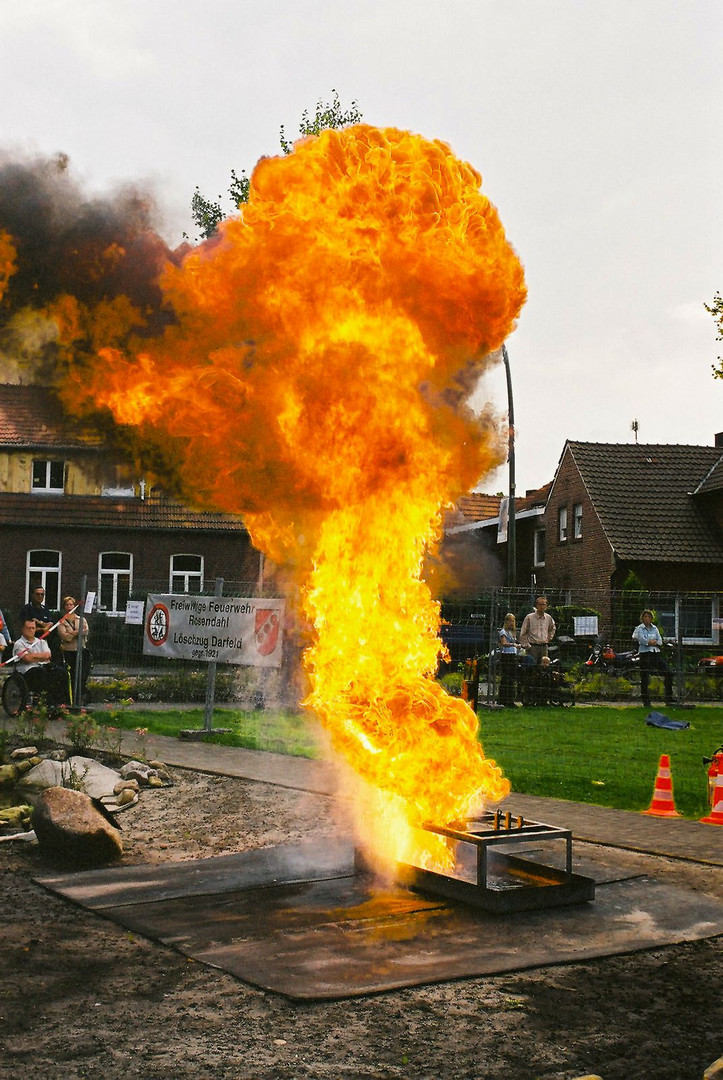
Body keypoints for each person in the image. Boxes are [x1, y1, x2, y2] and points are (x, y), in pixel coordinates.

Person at [632, 609, 674, 707]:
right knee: (645, 677)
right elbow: (641, 640)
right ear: (642, 618)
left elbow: (659, 640)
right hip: (645, 654)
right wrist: (649, 642)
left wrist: (654, 642)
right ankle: (646, 701)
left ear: (651, 618)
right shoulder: (639, 628)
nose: (647, 618)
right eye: (645, 617)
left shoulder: (655, 628)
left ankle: (669, 698)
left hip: (656, 653)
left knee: (668, 673)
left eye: (649, 617)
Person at [57, 595, 90, 703]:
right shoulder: (61, 622)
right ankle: (70, 698)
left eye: (71, 604)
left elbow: (86, 631)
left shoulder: (81, 619)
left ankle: (80, 696)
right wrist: (78, 633)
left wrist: (73, 632)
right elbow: (65, 637)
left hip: (80, 650)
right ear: (64, 607)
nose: (69, 607)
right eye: (67, 605)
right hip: (69, 652)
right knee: (71, 675)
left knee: (82, 674)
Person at [12, 618, 52, 696]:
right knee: (39, 672)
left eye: (33, 628)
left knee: (59, 671)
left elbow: (48, 655)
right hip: (27, 672)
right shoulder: (18, 644)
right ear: (23, 629)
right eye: (28, 628)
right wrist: (41, 656)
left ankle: (59, 702)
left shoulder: (41, 642)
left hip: (43, 667)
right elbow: (27, 659)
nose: (31, 630)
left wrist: (33, 656)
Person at [519, 596, 556, 664]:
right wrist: (527, 645)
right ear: (536, 605)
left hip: (544, 646)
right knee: (532, 666)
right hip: (533, 646)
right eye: (540, 604)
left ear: (546, 606)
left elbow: (552, 628)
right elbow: (523, 633)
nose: (542, 607)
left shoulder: (548, 618)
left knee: (544, 666)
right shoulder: (529, 617)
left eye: (543, 604)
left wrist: (549, 638)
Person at [497, 613, 520, 707]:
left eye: (513, 621)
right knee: (506, 678)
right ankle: (503, 699)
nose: (511, 623)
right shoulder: (503, 632)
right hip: (506, 655)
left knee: (512, 678)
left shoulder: (513, 632)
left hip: (513, 654)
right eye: (509, 621)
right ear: (506, 622)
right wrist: (513, 645)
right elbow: (504, 643)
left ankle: (510, 699)